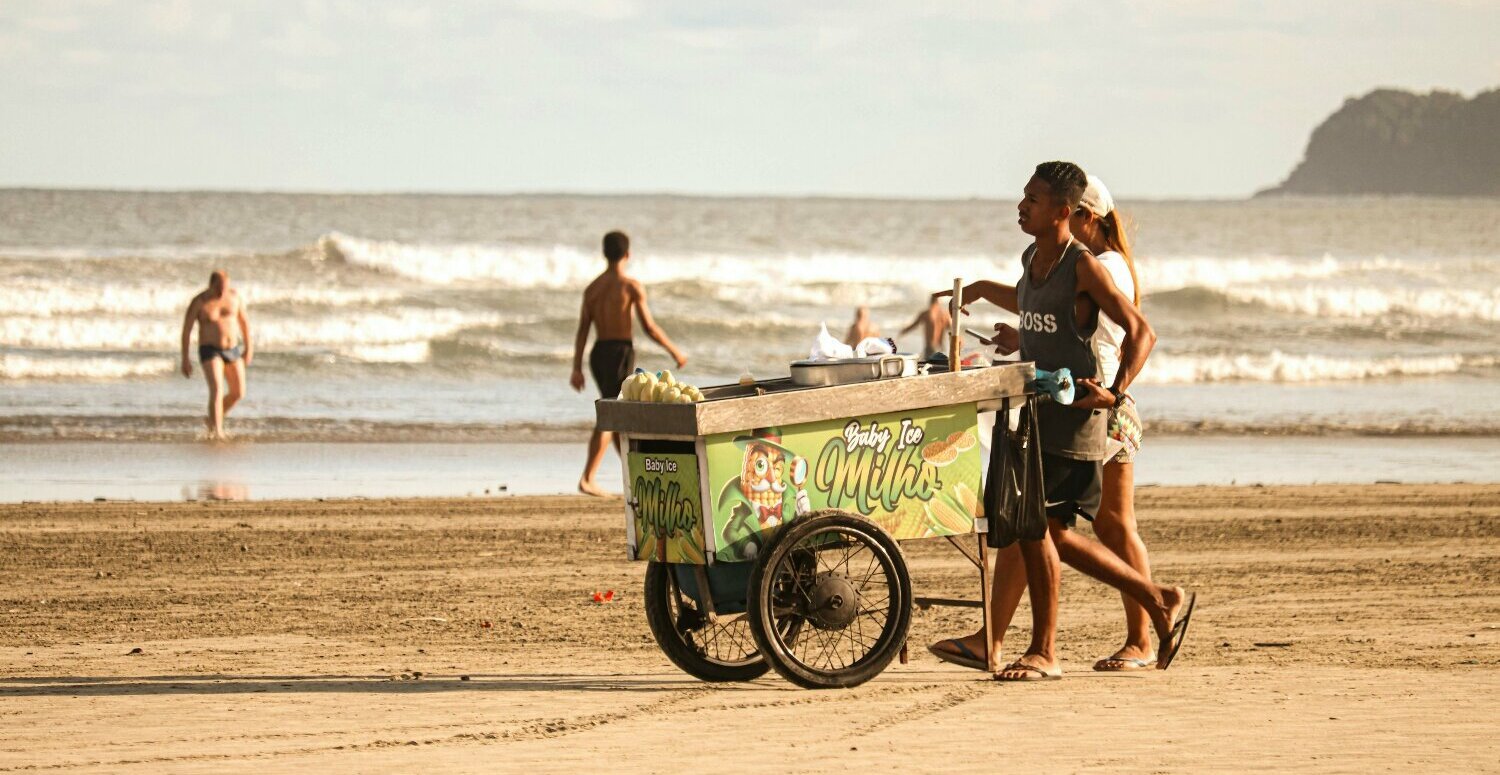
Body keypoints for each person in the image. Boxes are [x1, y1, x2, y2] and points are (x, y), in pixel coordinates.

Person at [927, 161, 1194, 681]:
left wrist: (1114, 393)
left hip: (1075, 422)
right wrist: (988, 295)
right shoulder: (1033, 258)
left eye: (1032, 198)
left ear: (1065, 212)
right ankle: (1155, 597)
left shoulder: (1086, 267)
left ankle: (1047, 649)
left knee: (1044, 529)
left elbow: (1142, 332)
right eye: (1022, 196)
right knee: (1043, 532)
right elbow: (1033, 306)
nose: (1021, 206)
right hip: (1036, 414)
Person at [570, 231, 688, 497]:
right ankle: (588, 477)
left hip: (598, 353)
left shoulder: (592, 289)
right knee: (611, 413)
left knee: (615, 409)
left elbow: (582, 331)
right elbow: (649, 327)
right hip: (620, 352)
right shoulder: (631, 286)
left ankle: (632, 474)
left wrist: (576, 367)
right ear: (628, 254)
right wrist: (675, 351)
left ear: (604, 253)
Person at [180, 269, 252, 441]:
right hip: (210, 350)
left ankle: (212, 419)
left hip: (233, 349)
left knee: (238, 392)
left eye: (224, 288)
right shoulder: (200, 302)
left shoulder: (234, 297)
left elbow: (244, 324)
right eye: (218, 288)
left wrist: (249, 348)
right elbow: (187, 330)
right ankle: (216, 431)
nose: (221, 292)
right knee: (217, 388)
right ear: (211, 285)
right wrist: (185, 358)